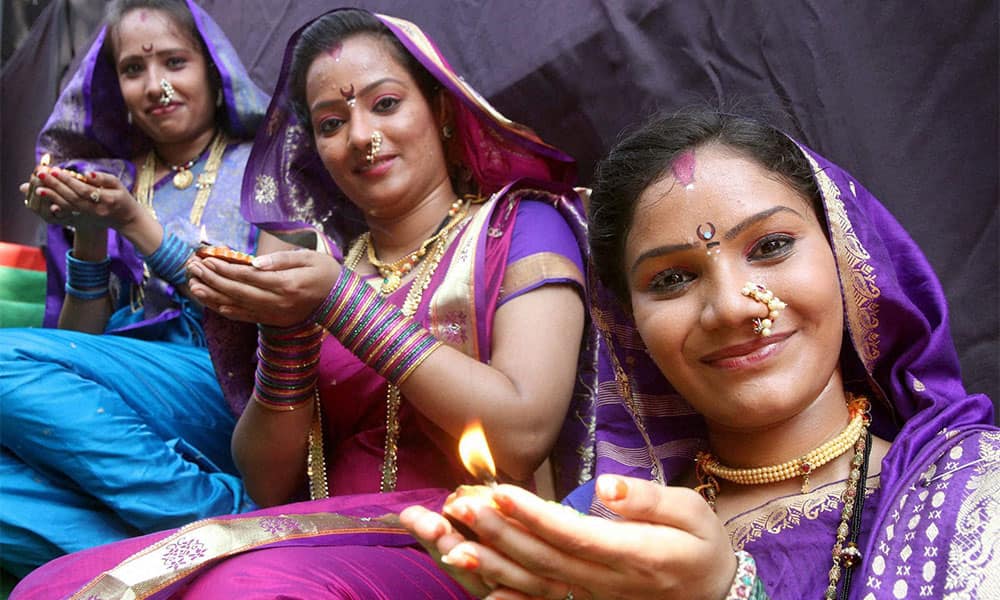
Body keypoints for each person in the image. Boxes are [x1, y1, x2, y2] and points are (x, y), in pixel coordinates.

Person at [10, 8, 597, 598]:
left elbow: (521, 435)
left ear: (441, 111)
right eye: (332, 122)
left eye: (386, 104)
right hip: (317, 533)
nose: (362, 137)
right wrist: (288, 335)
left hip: (458, 536)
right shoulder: (322, 266)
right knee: (49, 587)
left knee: (241, 590)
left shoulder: (519, 226)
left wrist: (338, 302)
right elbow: (268, 483)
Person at [402, 109, 999, 599]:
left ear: (847, 254)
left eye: (770, 246)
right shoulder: (596, 532)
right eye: (670, 280)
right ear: (630, 329)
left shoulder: (972, 493)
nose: (734, 308)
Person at [0, 0, 267, 577]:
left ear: (214, 73)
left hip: (232, 387)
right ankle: (168, 553)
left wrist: (136, 226)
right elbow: (73, 350)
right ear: (113, 88)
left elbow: (263, 307)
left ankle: (213, 513)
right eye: (133, 70)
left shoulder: (264, 171)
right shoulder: (111, 178)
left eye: (175, 62)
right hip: (117, 403)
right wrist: (91, 238)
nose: (156, 86)